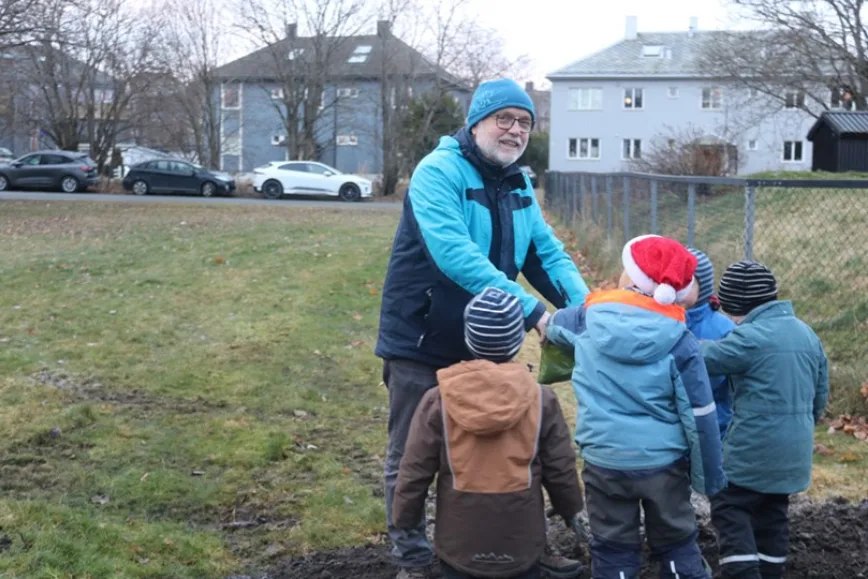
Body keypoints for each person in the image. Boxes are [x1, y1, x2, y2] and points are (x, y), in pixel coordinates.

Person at [375, 77, 590, 579]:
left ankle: (512, 548)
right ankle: (411, 555)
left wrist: (588, 308)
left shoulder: (516, 182)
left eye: (525, 122)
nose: (515, 130)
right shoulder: (438, 172)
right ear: (477, 122)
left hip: (488, 339)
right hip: (423, 336)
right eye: (505, 119)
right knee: (410, 453)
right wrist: (534, 313)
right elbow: (456, 256)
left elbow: (545, 252)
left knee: (501, 450)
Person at [545, 234, 726, 579]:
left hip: (604, 459)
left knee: (612, 547)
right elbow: (700, 413)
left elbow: (553, 326)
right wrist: (709, 476)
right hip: (664, 464)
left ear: (630, 277)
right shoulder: (681, 340)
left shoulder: (584, 321)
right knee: (676, 540)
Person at [392, 287, 587, 579]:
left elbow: (414, 470)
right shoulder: (541, 400)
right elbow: (560, 469)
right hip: (522, 543)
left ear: (468, 339)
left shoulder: (439, 399)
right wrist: (572, 511)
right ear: (517, 342)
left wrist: (404, 518)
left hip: (458, 545)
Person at [701, 261, 829, 579]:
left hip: (750, 456)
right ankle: (771, 571)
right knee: (772, 512)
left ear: (737, 306)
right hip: (794, 457)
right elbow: (820, 397)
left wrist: (672, 336)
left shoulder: (750, 338)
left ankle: (742, 571)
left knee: (730, 505)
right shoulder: (807, 334)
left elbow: (703, 358)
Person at [684, 248, 737, 440]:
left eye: (686, 282)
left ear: (703, 286)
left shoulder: (724, 329)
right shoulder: (661, 322)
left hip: (714, 427)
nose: (678, 287)